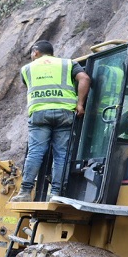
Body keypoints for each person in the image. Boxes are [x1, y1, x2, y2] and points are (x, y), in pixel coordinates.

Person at [10, 40, 91, 202]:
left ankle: (25, 192)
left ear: (35, 52)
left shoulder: (27, 69)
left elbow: (29, 86)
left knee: (35, 152)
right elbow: (85, 78)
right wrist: (80, 104)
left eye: (32, 54)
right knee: (62, 155)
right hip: (64, 114)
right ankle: (56, 194)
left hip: (39, 115)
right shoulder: (67, 64)